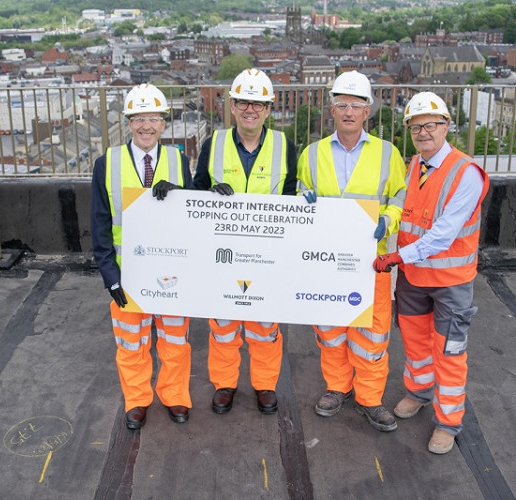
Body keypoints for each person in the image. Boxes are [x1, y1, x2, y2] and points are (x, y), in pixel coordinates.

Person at [373, 91, 489, 454]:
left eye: (430, 125)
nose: (423, 132)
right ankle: (419, 392)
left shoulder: (465, 172)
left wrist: (397, 257)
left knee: (449, 353)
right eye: (415, 126)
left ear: (446, 127)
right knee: (417, 344)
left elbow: (443, 234)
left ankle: (448, 423)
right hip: (413, 280)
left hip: (450, 284)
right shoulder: (413, 166)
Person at [297, 70, 407, 432]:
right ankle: (337, 387)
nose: (348, 111)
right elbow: (301, 195)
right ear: (331, 110)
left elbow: (399, 198)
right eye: (342, 104)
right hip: (326, 259)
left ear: (367, 112)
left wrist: (387, 221)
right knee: (330, 328)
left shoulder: (388, 154)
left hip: (370, 260)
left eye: (355, 105)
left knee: (372, 333)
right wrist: (304, 200)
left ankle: (370, 398)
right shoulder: (312, 155)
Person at [193, 68, 298, 415]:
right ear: (233, 107)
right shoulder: (214, 144)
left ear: (268, 109)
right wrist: (209, 193)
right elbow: (195, 196)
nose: (250, 110)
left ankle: (265, 384)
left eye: (258, 104)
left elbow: (291, 198)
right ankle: (225, 383)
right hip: (223, 252)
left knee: (265, 325)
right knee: (223, 323)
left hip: (267, 253)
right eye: (243, 103)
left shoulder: (285, 146)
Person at [91, 83, 194, 430]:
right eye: (138, 119)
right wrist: (111, 277)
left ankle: (175, 394)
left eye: (153, 118)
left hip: (172, 270)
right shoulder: (107, 163)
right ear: (128, 122)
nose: (146, 126)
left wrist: (180, 192)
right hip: (128, 274)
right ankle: (137, 400)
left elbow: (193, 215)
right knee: (131, 343)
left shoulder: (179, 160)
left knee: (175, 340)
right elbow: (100, 224)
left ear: (164, 123)